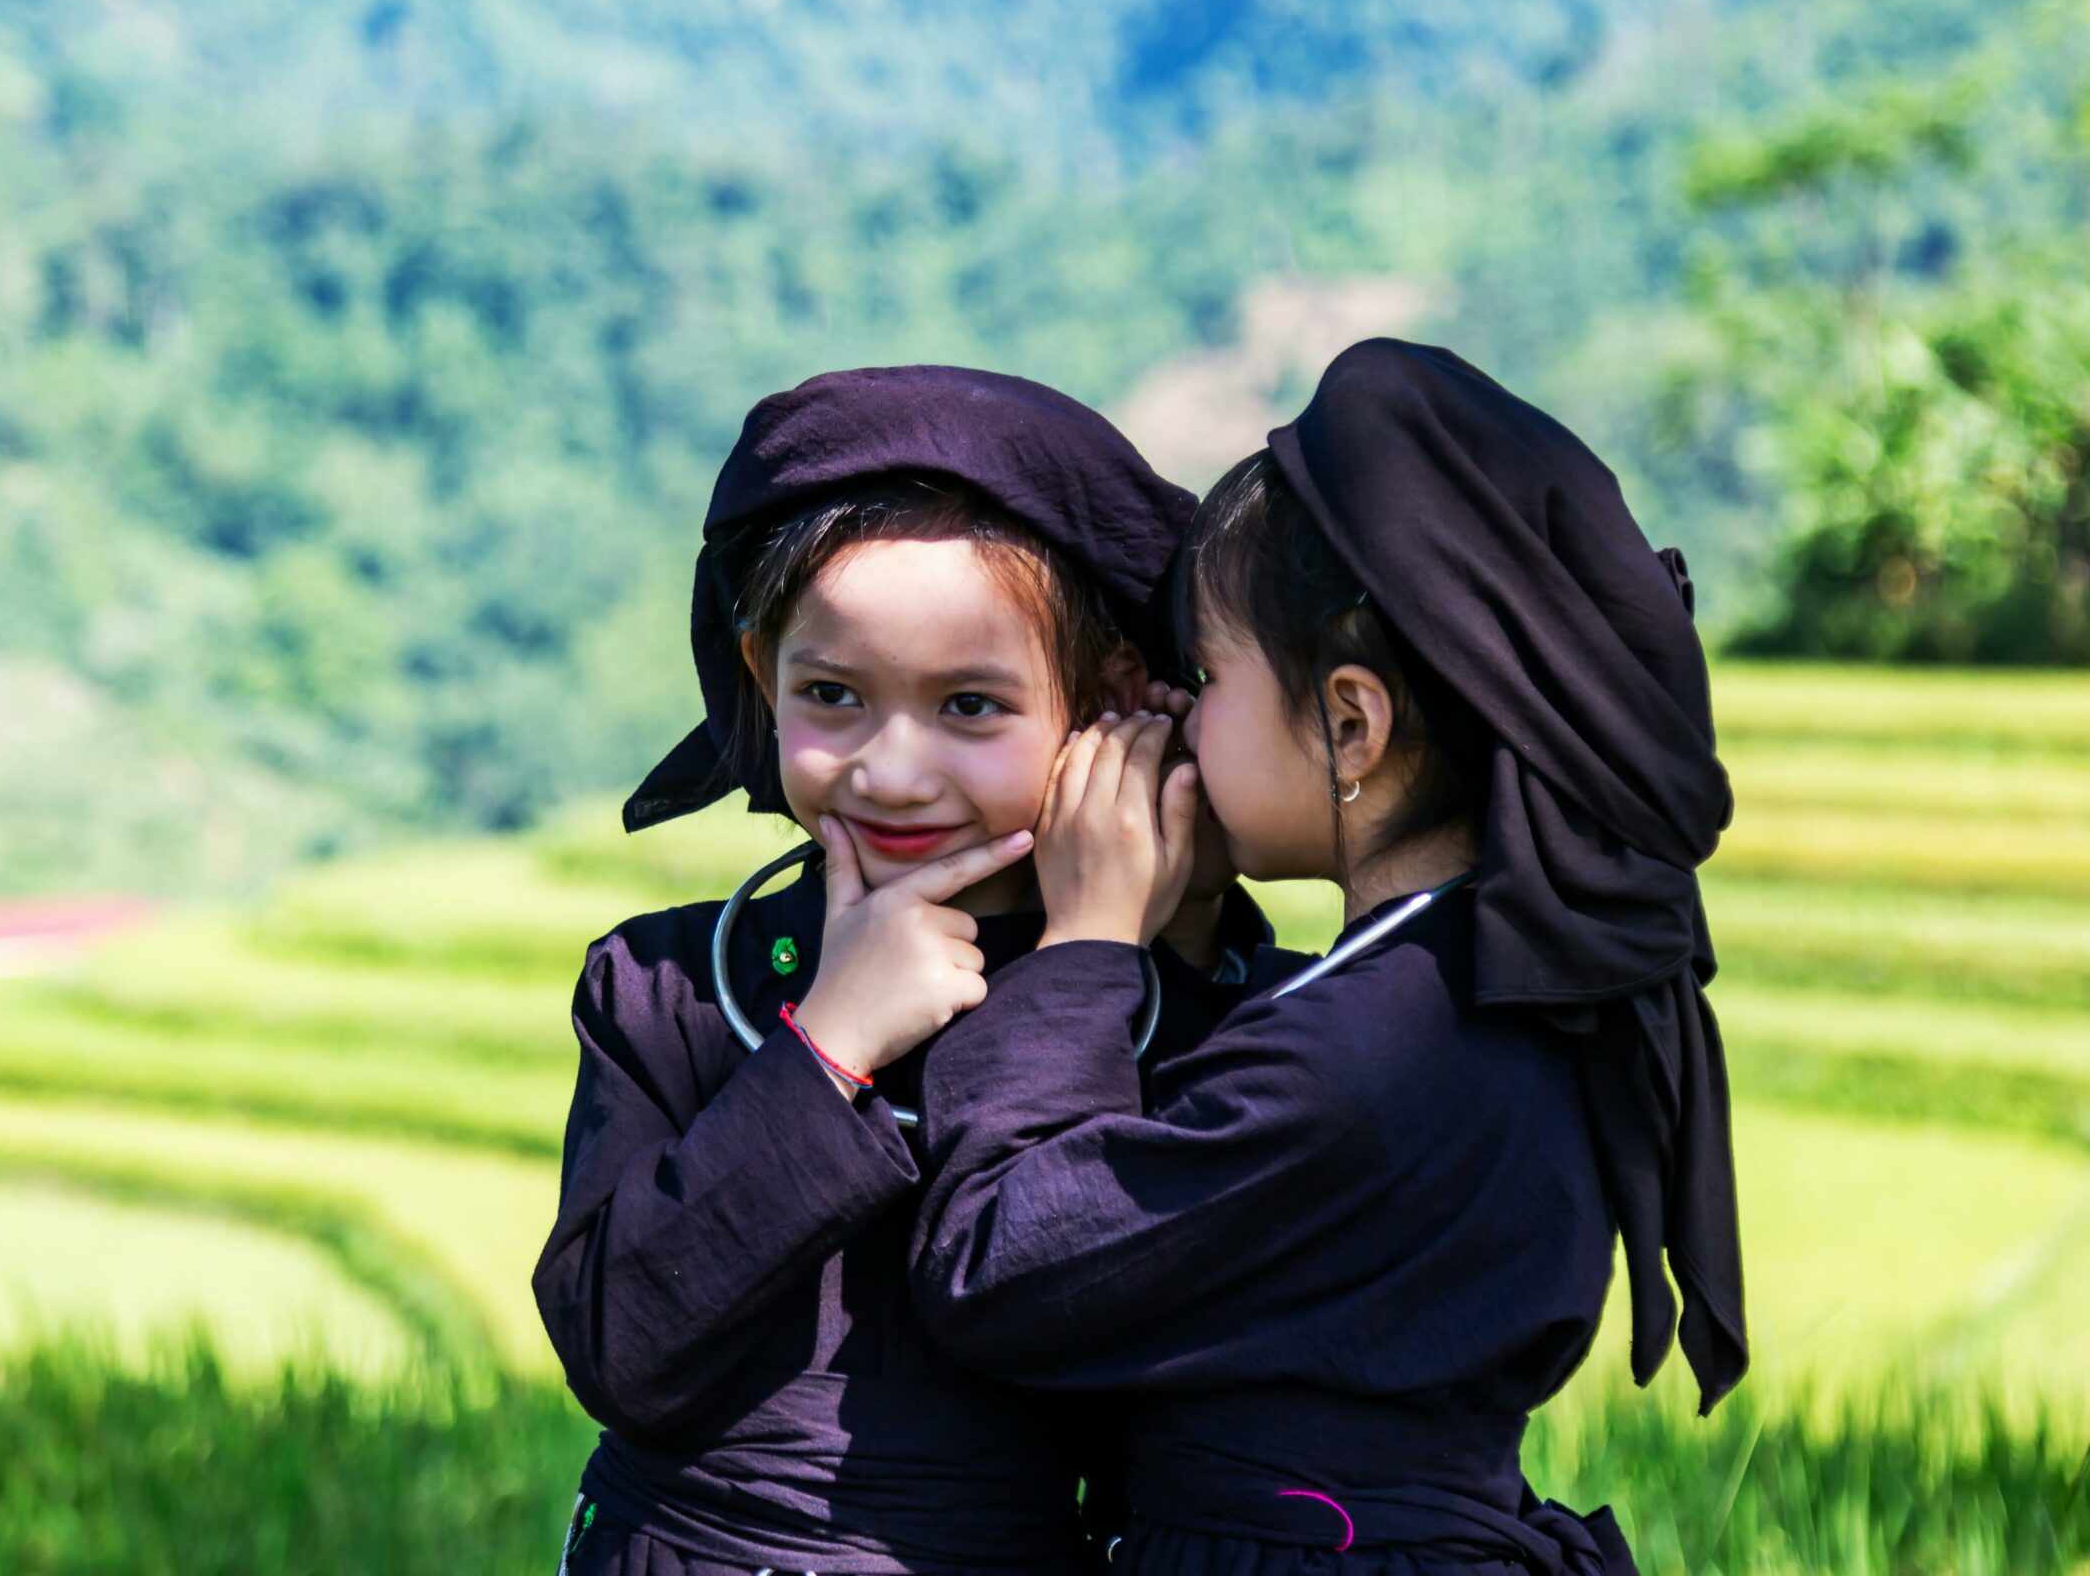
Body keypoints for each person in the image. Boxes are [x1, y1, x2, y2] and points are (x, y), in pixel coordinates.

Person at [907, 339, 1746, 1575]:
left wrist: (1084, 942)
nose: (1182, 716)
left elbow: (997, 1265)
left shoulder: (1363, 1052)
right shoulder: (1500, 979)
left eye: (1209, 674)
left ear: (1350, 721)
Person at [534, 365, 1277, 1575]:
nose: (890, 771)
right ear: (755, 672)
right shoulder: (664, 988)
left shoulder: (1204, 1016)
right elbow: (620, 1348)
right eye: (832, 696)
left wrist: (1156, 941)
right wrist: (825, 1045)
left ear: (1106, 708)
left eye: (971, 706)